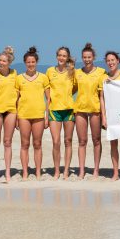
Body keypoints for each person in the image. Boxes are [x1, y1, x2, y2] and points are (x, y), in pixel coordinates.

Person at [16, 47, 51, 180]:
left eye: (33, 62)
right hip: (23, 115)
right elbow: (16, 100)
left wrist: (47, 116)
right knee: (24, 144)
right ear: (25, 63)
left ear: (36, 62)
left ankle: (37, 172)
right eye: (28, 62)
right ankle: (25, 172)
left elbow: (48, 99)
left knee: (37, 144)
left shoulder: (43, 78)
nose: (31, 64)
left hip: (38, 116)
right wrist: (16, 118)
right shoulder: (19, 78)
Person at [74, 43, 106, 180]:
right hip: (80, 109)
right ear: (82, 58)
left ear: (93, 58)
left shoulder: (100, 72)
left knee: (96, 140)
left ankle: (96, 170)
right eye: (84, 57)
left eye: (89, 57)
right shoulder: (77, 73)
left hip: (95, 109)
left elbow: (102, 95)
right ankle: (81, 170)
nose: (87, 59)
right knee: (82, 141)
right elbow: (71, 89)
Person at [47, 46, 78, 180]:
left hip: (69, 109)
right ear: (56, 56)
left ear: (67, 58)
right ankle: (56, 170)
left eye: (64, 56)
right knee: (56, 142)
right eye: (59, 55)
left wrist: (67, 97)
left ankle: (66, 170)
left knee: (68, 141)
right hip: (54, 110)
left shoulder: (72, 72)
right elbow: (47, 91)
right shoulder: (49, 71)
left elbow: (75, 87)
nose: (61, 58)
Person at [0, 46, 18, 183]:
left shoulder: (14, 73)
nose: (0, 62)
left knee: (8, 142)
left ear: (9, 62)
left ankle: (7, 172)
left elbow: (18, 94)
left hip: (11, 110)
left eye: (4, 61)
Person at [100, 51, 120, 181]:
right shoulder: (103, 77)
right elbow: (102, 99)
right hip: (111, 115)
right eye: (108, 60)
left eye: (113, 60)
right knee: (113, 145)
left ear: (118, 61)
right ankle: (116, 172)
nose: (111, 62)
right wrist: (104, 117)